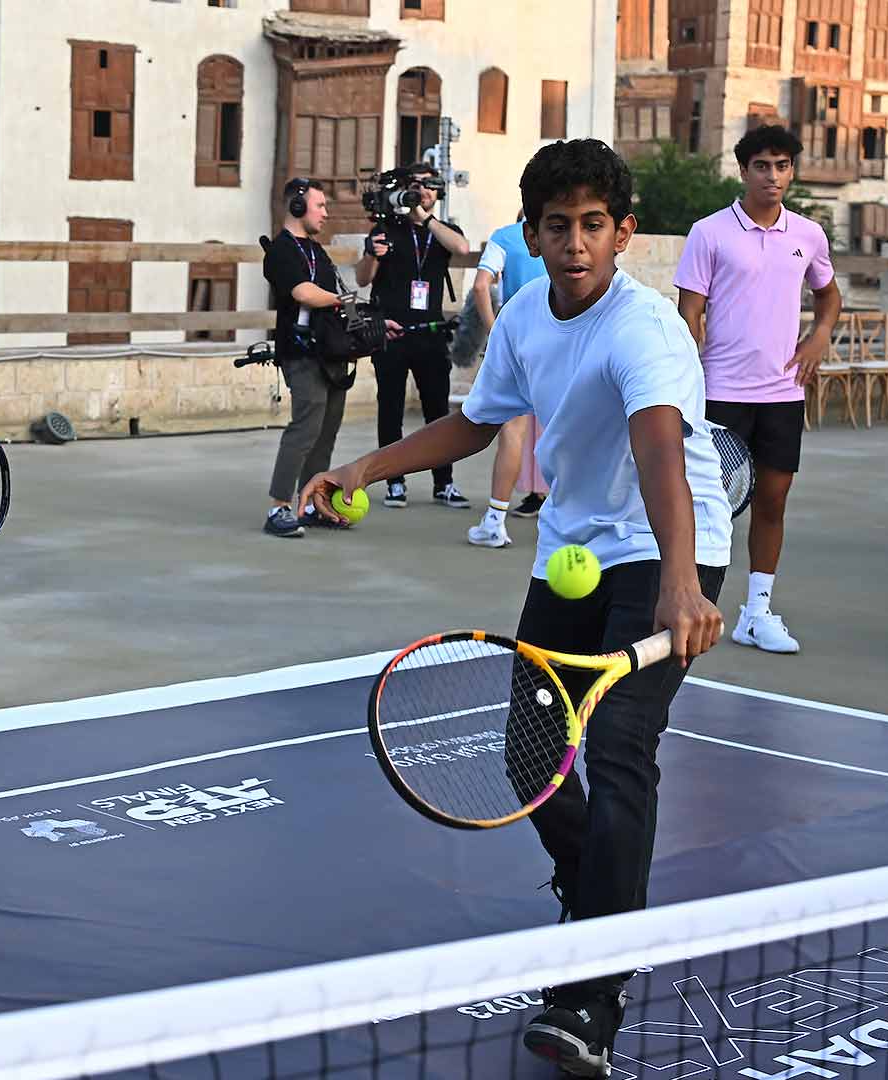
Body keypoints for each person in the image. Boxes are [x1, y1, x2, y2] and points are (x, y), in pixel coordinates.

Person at [303, 139, 730, 1078]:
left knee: (618, 749)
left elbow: (661, 450)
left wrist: (685, 581)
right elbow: (477, 420)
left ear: (623, 233)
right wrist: (362, 466)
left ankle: (593, 990)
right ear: (532, 234)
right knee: (530, 756)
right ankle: (596, 896)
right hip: (575, 554)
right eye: (555, 226)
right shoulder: (530, 314)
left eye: (592, 225)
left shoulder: (644, 327)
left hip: (668, 554)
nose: (573, 243)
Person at [674, 125, 840, 655]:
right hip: (720, 390)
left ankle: (757, 613)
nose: (773, 176)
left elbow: (829, 295)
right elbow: (689, 312)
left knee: (772, 501)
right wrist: (686, 374)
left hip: (783, 394)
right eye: (763, 166)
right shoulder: (709, 232)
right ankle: (688, 603)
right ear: (743, 170)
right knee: (707, 505)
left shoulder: (808, 235)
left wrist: (818, 338)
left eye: (783, 165)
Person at [356, 163, 473, 509]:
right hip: (391, 333)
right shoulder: (386, 228)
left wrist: (426, 218)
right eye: (416, 186)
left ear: (438, 192)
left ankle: (444, 482)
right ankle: (393, 481)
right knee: (389, 409)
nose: (423, 192)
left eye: (430, 186)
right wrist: (371, 254)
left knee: (437, 412)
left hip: (431, 333)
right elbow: (363, 279)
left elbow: (463, 248)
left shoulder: (441, 231)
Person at [261, 179, 354, 538]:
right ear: (297, 208)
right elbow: (303, 292)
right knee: (305, 428)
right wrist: (341, 301)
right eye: (320, 206)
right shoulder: (281, 251)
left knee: (327, 430)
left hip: (330, 351)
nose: (327, 213)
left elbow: (335, 294)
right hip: (300, 353)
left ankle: (313, 502)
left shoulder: (316, 251)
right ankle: (279, 506)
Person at [463, 214, 552, 549]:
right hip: (566, 336)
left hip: (522, 340)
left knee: (513, 431)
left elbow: (481, 284)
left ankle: (495, 521)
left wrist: (493, 328)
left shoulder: (505, 236)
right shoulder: (568, 233)